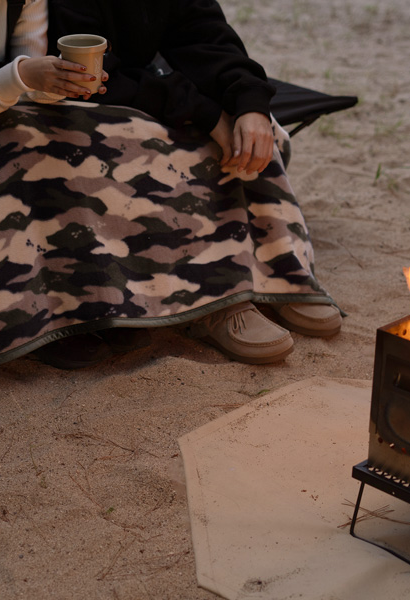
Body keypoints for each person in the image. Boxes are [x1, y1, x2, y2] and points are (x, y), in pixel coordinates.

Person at [0, 0, 339, 376]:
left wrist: (245, 103)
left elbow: (199, 30)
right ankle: (194, 298)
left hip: (20, 102)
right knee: (79, 149)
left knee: (219, 139)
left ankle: (261, 279)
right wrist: (37, 82)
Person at [47, 0, 342, 362]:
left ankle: (279, 277)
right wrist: (202, 112)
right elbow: (92, 75)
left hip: (140, 81)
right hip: (71, 93)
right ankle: (216, 297)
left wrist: (249, 104)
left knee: (256, 133)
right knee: (164, 147)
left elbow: (204, 33)